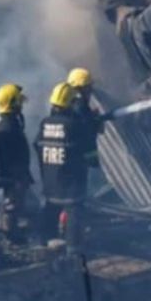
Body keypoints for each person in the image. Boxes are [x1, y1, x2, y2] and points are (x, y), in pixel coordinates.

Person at [38, 80, 106, 244]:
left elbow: (37, 145)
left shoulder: (45, 123)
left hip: (51, 179)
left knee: (50, 211)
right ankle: (72, 250)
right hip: (71, 182)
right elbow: (88, 147)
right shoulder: (73, 125)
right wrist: (93, 162)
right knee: (74, 214)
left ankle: (45, 243)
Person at [0, 83, 34, 240]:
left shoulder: (9, 121)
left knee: (17, 203)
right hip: (13, 175)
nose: (21, 104)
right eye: (18, 101)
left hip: (14, 173)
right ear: (12, 103)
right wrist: (16, 179)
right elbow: (6, 157)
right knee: (12, 204)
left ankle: (11, 230)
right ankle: (10, 234)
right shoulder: (8, 127)